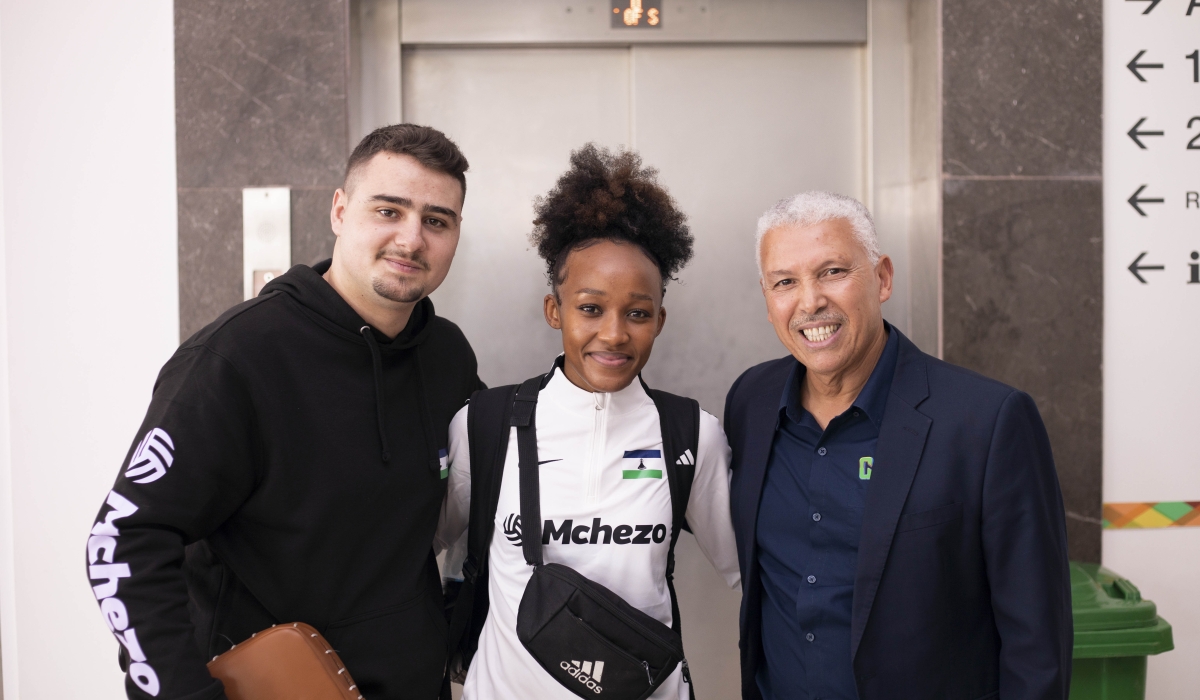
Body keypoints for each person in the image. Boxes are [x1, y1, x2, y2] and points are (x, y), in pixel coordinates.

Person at [85, 124, 483, 700]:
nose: (411, 238)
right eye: (388, 211)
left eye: (437, 221)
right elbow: (123, 539)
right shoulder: (237, 358)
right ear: (340, 211)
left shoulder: (446, 356)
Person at [724, 192, 1072, 700]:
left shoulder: (987, 422)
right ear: (767, 299)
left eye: (832, 272)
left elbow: (1037, 644)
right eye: (785, 282)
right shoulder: (751, 402)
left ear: (882, 278)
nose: (810, 301)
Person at [435, 145, 740, 699]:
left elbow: (753, 573)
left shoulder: (691, 435)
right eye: (591, 308)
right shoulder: (485, 425)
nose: (615, 334)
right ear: (555, 310)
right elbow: (414, 552)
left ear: (659, 320)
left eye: (637, 313)